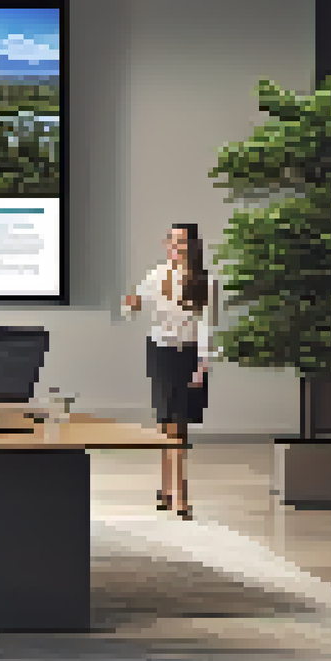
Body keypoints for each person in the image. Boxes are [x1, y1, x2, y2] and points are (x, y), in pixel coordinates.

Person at [123, 223, 217, 520]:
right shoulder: (156, 275)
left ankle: (172, 491)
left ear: (192, 245)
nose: (174, 247)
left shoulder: (205, 281)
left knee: (180, 425)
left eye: (180, 242)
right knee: (168, 424)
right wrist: (131, 304)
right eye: (171, 241)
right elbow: (131, 309)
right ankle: (177, 495)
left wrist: (203, 365)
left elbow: (206, 326)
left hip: (189, 356)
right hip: (161, 354)